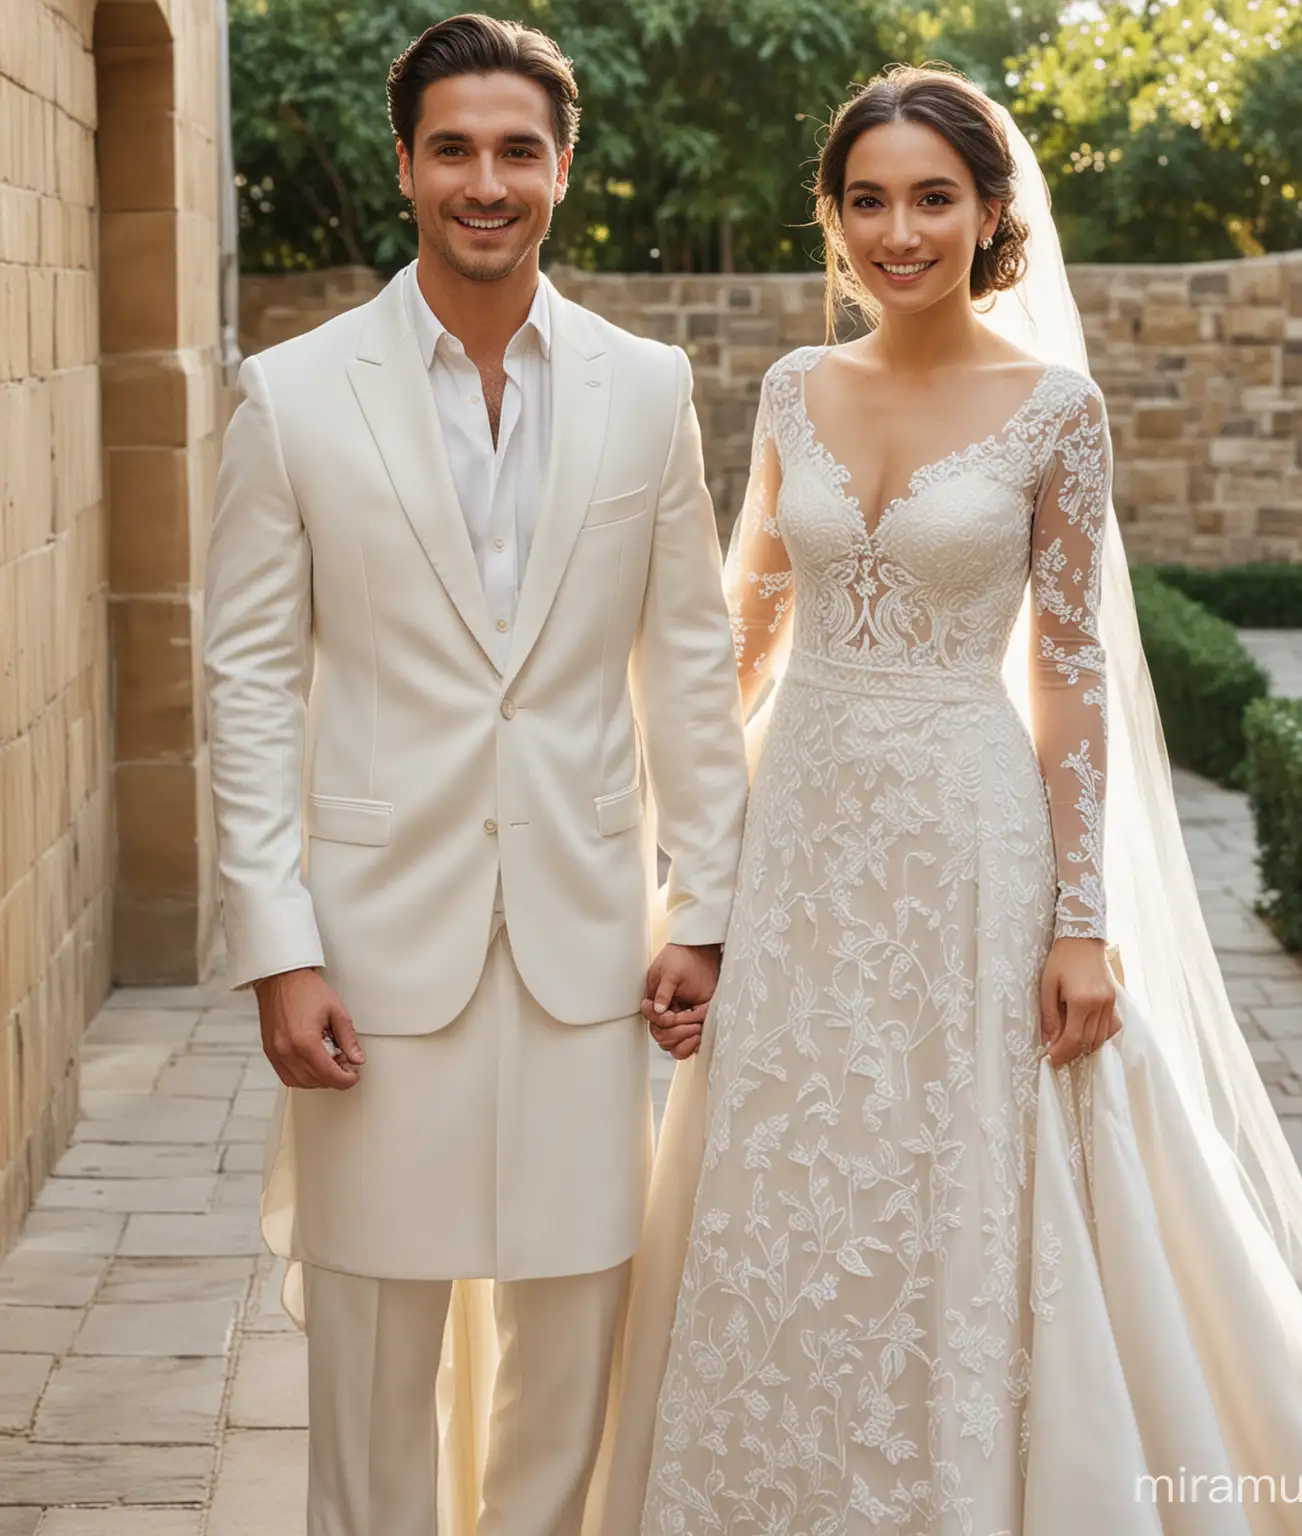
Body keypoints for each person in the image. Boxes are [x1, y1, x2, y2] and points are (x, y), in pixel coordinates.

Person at [588, 64, 1302, 1535]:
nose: (898, 230)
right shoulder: (791, 390)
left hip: (973, 837)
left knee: (963, 1157)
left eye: (931, 197)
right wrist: (689, 891)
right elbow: (745, 642)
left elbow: (1077, 676)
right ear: (834, 220)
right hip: (808, 829)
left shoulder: (1056, 410)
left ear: (987, 212)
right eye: (867, 199)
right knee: (795, 1161)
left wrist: (1080, 921)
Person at [202, 15, 748, 1534]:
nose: (485, 182)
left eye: (517, 151)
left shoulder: (648, 389)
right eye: (454, 149)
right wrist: (278, 946)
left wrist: (703, 907)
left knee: (572, 1334)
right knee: (375, 1340)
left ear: (562, 170)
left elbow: (688, 660)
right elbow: (247, 682)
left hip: (587, 942)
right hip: (371, 951)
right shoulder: (294, 394)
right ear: (405, 168)